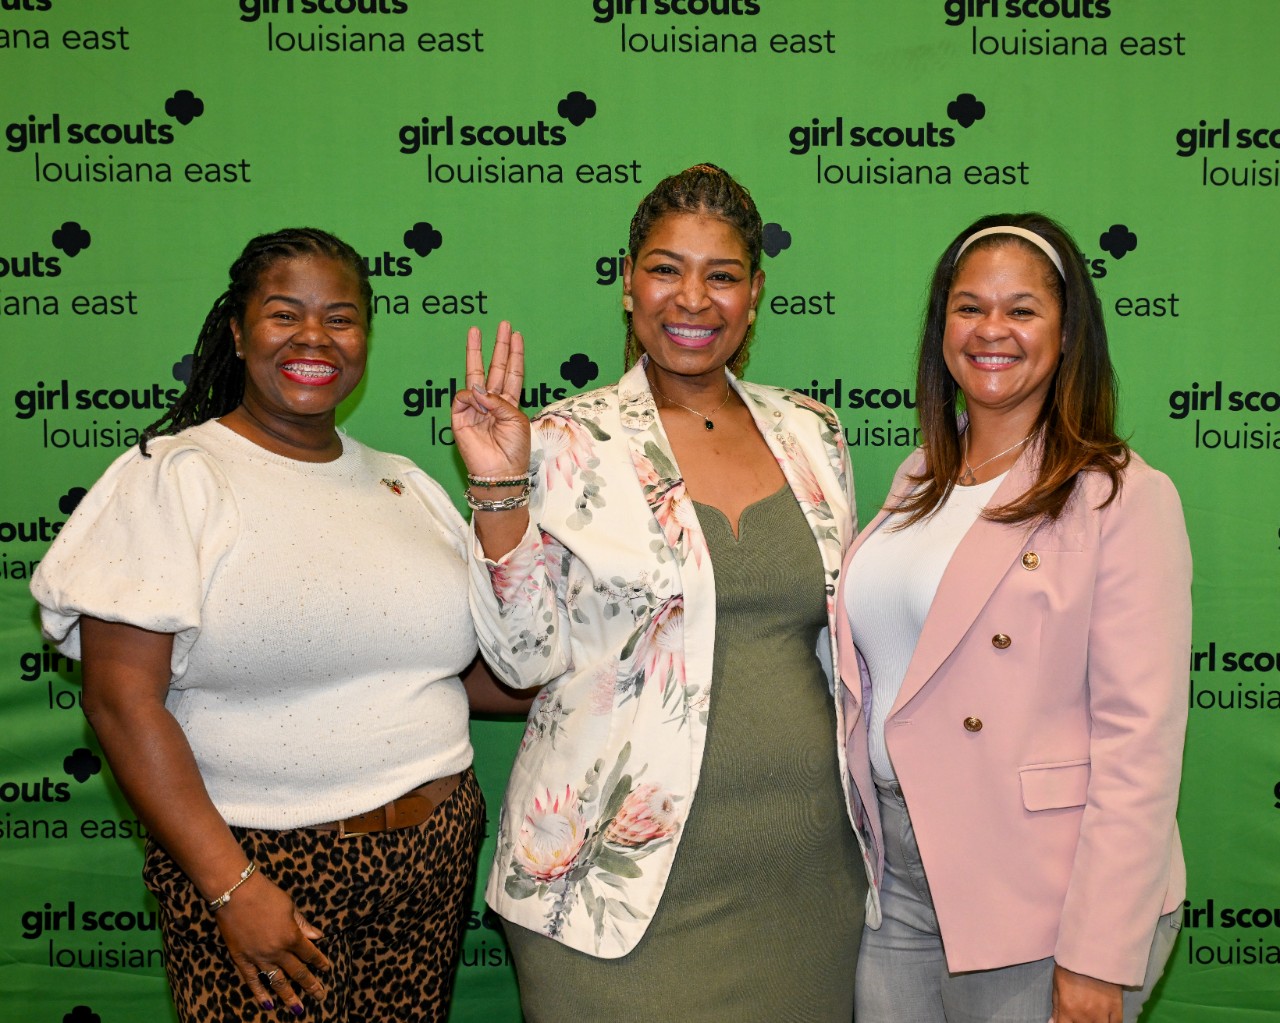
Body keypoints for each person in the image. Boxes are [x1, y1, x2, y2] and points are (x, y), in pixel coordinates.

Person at [450, 164, 876, 1021]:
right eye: (665, 268)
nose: (693, 298)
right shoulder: (559, 441)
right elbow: (523, 657)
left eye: (722, 275)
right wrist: (500, 487)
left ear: (754, 295)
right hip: (609, 895)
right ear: (627, 284)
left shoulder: (814, 432)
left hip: (805, 883)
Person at [31, 228, 485, 1023]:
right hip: (261, 865)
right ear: (238, 333)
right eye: (285, 314)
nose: (316, 337)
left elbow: (468, 669)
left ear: (365, 340)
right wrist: (232, 886)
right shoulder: (175, 476)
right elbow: (118, 700)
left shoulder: (405, 482)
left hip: (430, 857)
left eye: (341, 318)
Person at [837, 213, 1191, 1023]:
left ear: (1067, 334)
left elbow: (1141, 743)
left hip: (1043, 892)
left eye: (1022, 309)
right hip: (900, 880)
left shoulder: (1121, 497)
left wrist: (1099, 954)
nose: (992, 329)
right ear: (941, 330)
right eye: (969, 307)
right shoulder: (918, 475)